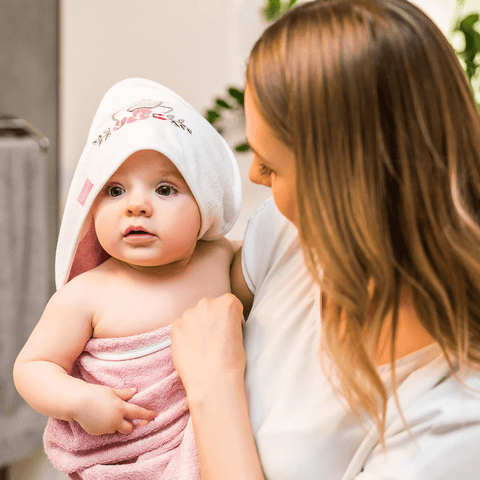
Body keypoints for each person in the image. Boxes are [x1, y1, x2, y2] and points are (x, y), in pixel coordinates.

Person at [170, 1, 480, 479]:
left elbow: (206, 349)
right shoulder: (291, 232)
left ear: (345, 185)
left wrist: (213, 386)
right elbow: (189, 291)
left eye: (271, 165)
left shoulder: (452, 421)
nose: (254, 175)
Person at [13, 77, 242, 479]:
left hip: (204, 448)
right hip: (123, 458)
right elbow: (33, 366)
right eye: (115, 190)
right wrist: (80, 400)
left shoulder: (222, 259)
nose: (136, 205)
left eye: (165, 188)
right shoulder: (87, 294)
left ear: (205, 201)